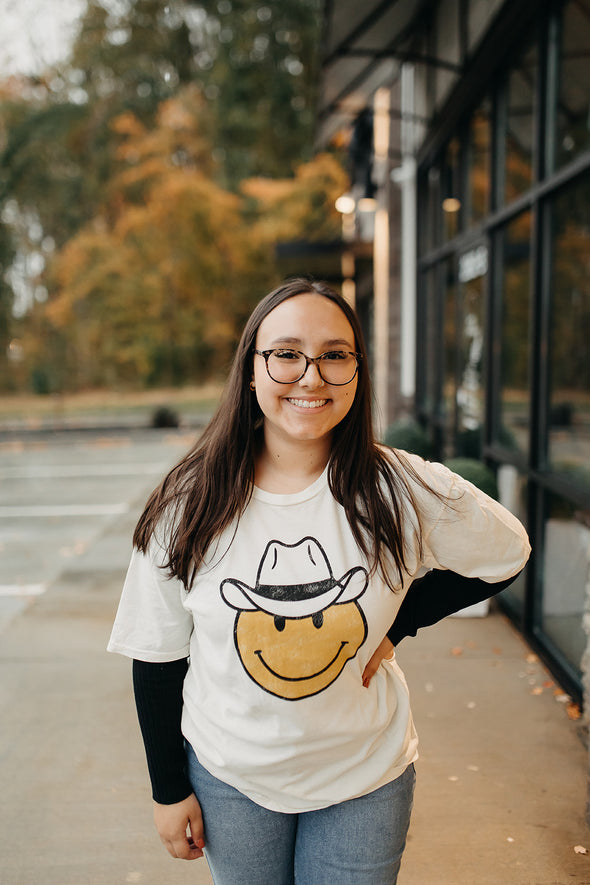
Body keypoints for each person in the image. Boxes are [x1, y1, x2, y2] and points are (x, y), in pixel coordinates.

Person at [108, 277, 530, 885]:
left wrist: (401, 622)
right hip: (231, 776)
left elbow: (506, 551)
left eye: (335, 355)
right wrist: (168, 790)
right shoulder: (191, 501)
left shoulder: (402, 487)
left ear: (357, 373)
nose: (312, 377)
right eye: (287, 354)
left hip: (364, 776)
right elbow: (157, 655)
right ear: (251, 370)